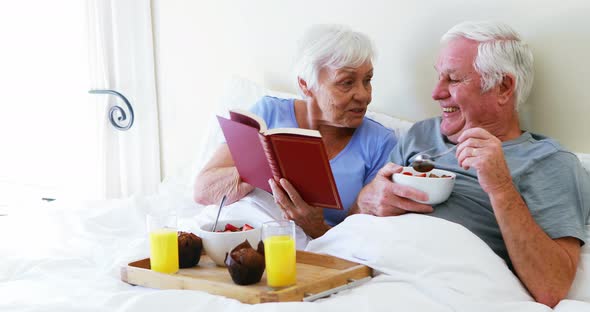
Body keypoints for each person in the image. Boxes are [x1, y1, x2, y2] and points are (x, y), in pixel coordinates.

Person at [353, 21, 590, 307]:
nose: (436, 93)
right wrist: (368, 199)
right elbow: (355, 217)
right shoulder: (421, 135)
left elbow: (552, 287)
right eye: (438, 77)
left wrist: (501, 186)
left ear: (503, 87)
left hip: (444, 284)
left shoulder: (549, 162)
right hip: (365, 265)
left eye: (453, 79)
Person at [194, 24, 397, 239]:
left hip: (310, 254)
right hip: (240, 237)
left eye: (367, 80)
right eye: (346, 83)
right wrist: (264, 168)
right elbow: (202, 191)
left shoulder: (380, 143)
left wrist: (315, 227)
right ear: (306, 85)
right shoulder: (268, 113)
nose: (364, 95)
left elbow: (366, 241)